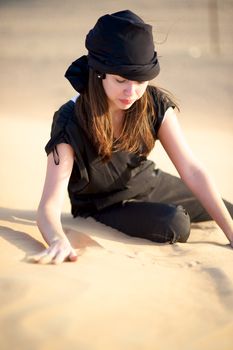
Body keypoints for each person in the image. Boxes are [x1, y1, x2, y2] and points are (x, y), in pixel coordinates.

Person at [31, 10, 233, 264]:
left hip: (148, 182)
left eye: (141, 81)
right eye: (121, 80)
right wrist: (58, 239)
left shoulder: (154, 103)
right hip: (102, 206)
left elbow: (191, 170)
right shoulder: (70, 119)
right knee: (176, 223)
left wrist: (230, 232)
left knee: (228, 211)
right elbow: (48, 207)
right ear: (99, 72)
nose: (131, 91)